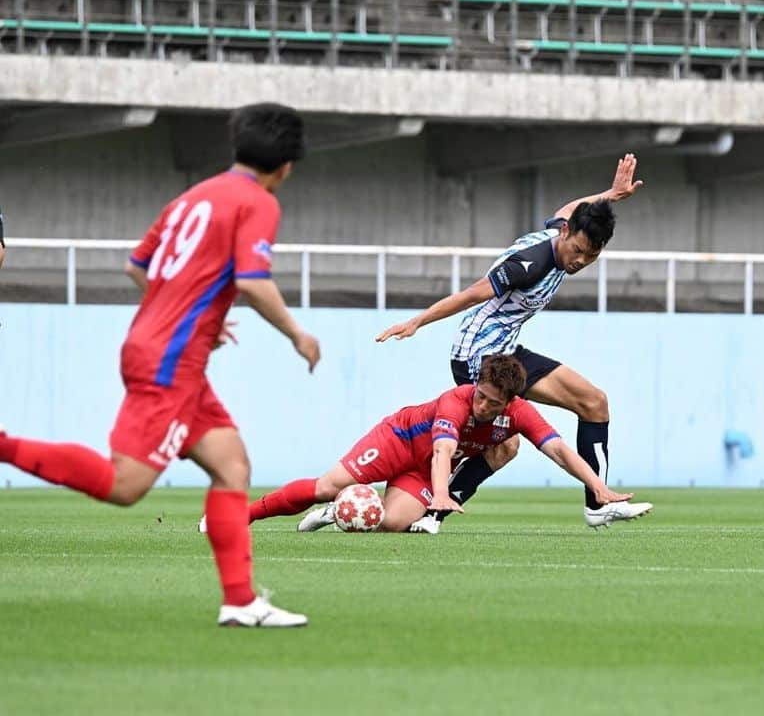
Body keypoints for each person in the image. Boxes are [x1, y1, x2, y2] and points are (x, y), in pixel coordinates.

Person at [0, 103, 320, 628]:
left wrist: (194, 317)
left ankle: (239, 601)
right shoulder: (258, 203)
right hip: (170, 360)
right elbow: (252, 280)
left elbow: (137, 265)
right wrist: (297, 334)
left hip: (165, 351)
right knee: (125, 485)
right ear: (286, 166)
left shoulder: (194, 196)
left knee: (231, 464)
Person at [376, 154, 652, 533]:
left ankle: (598, 503)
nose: (580, 261)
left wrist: (611, 195)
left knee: (593, 402)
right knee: (502, 445)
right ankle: (426, 505)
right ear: (566, 234)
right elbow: (473, 294)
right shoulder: (530, 263)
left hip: (507, 349)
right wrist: (417, 321)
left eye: (592, 255)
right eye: (577, 250)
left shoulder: (568, 229)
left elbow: (568, 208)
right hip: (477, 355)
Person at [228, 355, 633, 533]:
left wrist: (597, 487)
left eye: (493, 402)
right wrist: (441, 493)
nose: (482, 404)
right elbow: (442, 450)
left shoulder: (520, 413)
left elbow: (560, 450)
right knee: (324, 486)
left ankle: (339, 513)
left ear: (510, 401)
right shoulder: (455, 400)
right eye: (481, 395)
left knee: (389, 524)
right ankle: (240, 517)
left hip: (419, 470)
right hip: (396, 442)